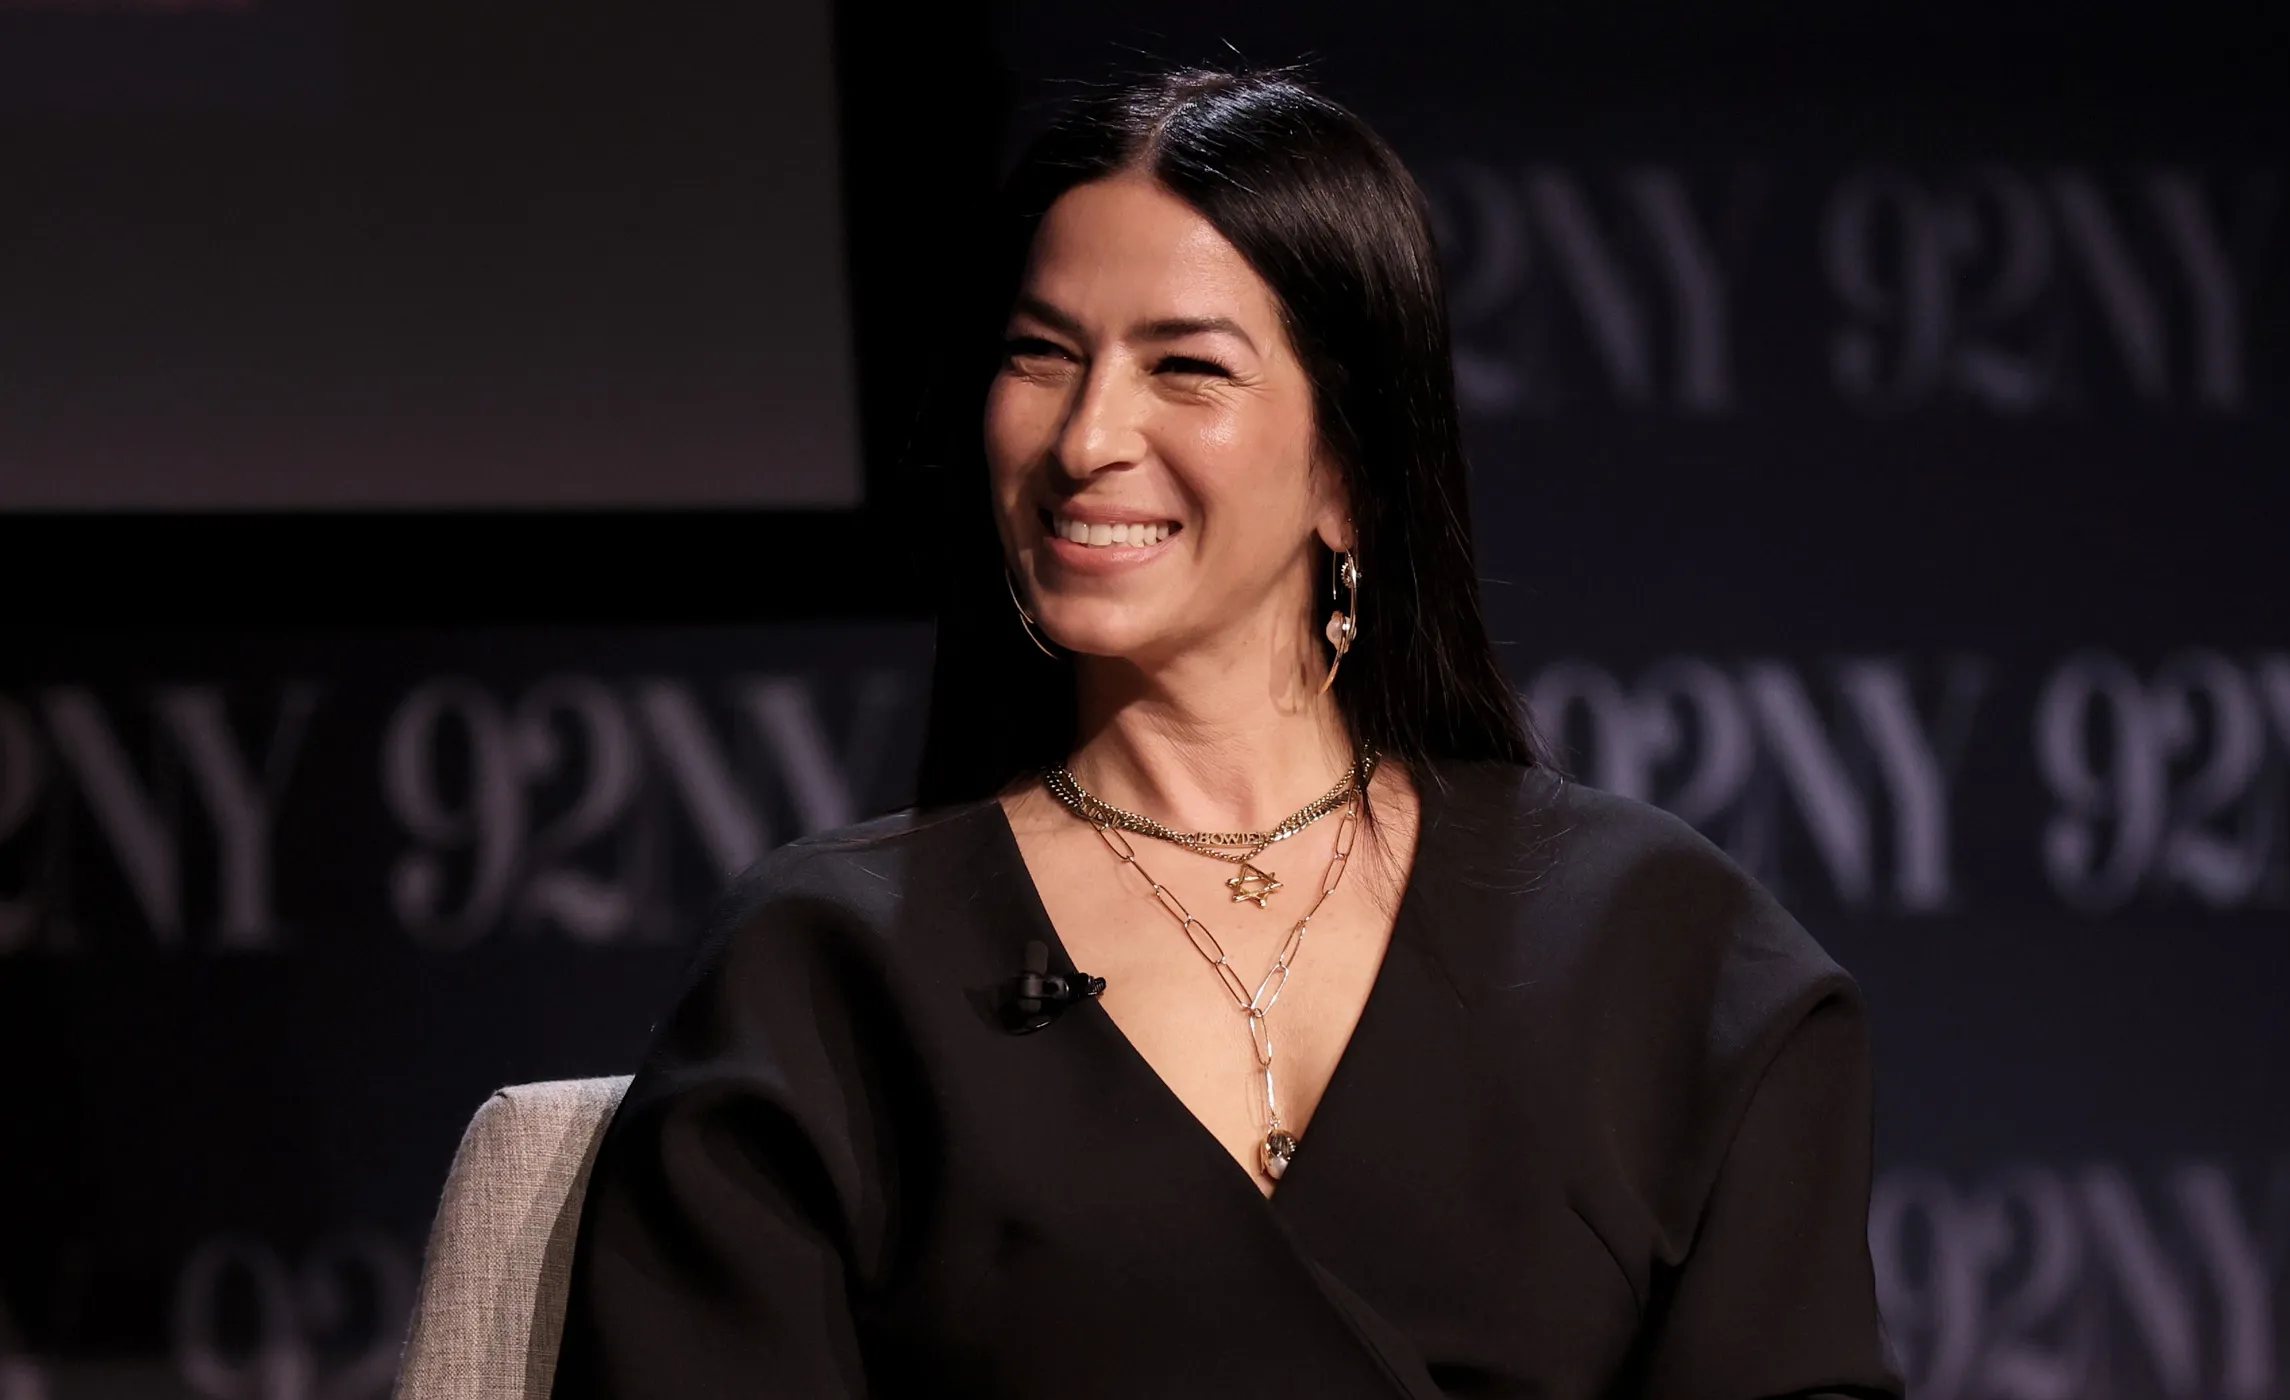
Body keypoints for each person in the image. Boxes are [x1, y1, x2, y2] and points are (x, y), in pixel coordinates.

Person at [550, 67, 1902, 1399]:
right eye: (1040, 356)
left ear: (1350, 472)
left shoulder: (1660, 944)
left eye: (1184, 368)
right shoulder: (831, 965)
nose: (1085, 438)